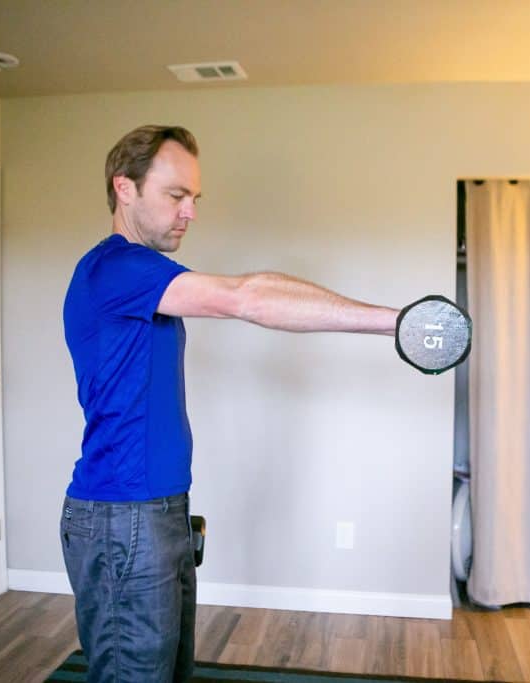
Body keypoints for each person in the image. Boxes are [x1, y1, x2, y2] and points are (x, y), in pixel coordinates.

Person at [61, 125, 398, 682]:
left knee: (168, 675)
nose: (190, 211)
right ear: (125, 189)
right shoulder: (118, 267)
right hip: (121, 516)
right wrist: (396, 322)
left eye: (195, 198)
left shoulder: (143, 279)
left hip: (155, 508)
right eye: (175, 196)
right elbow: (246, 298)